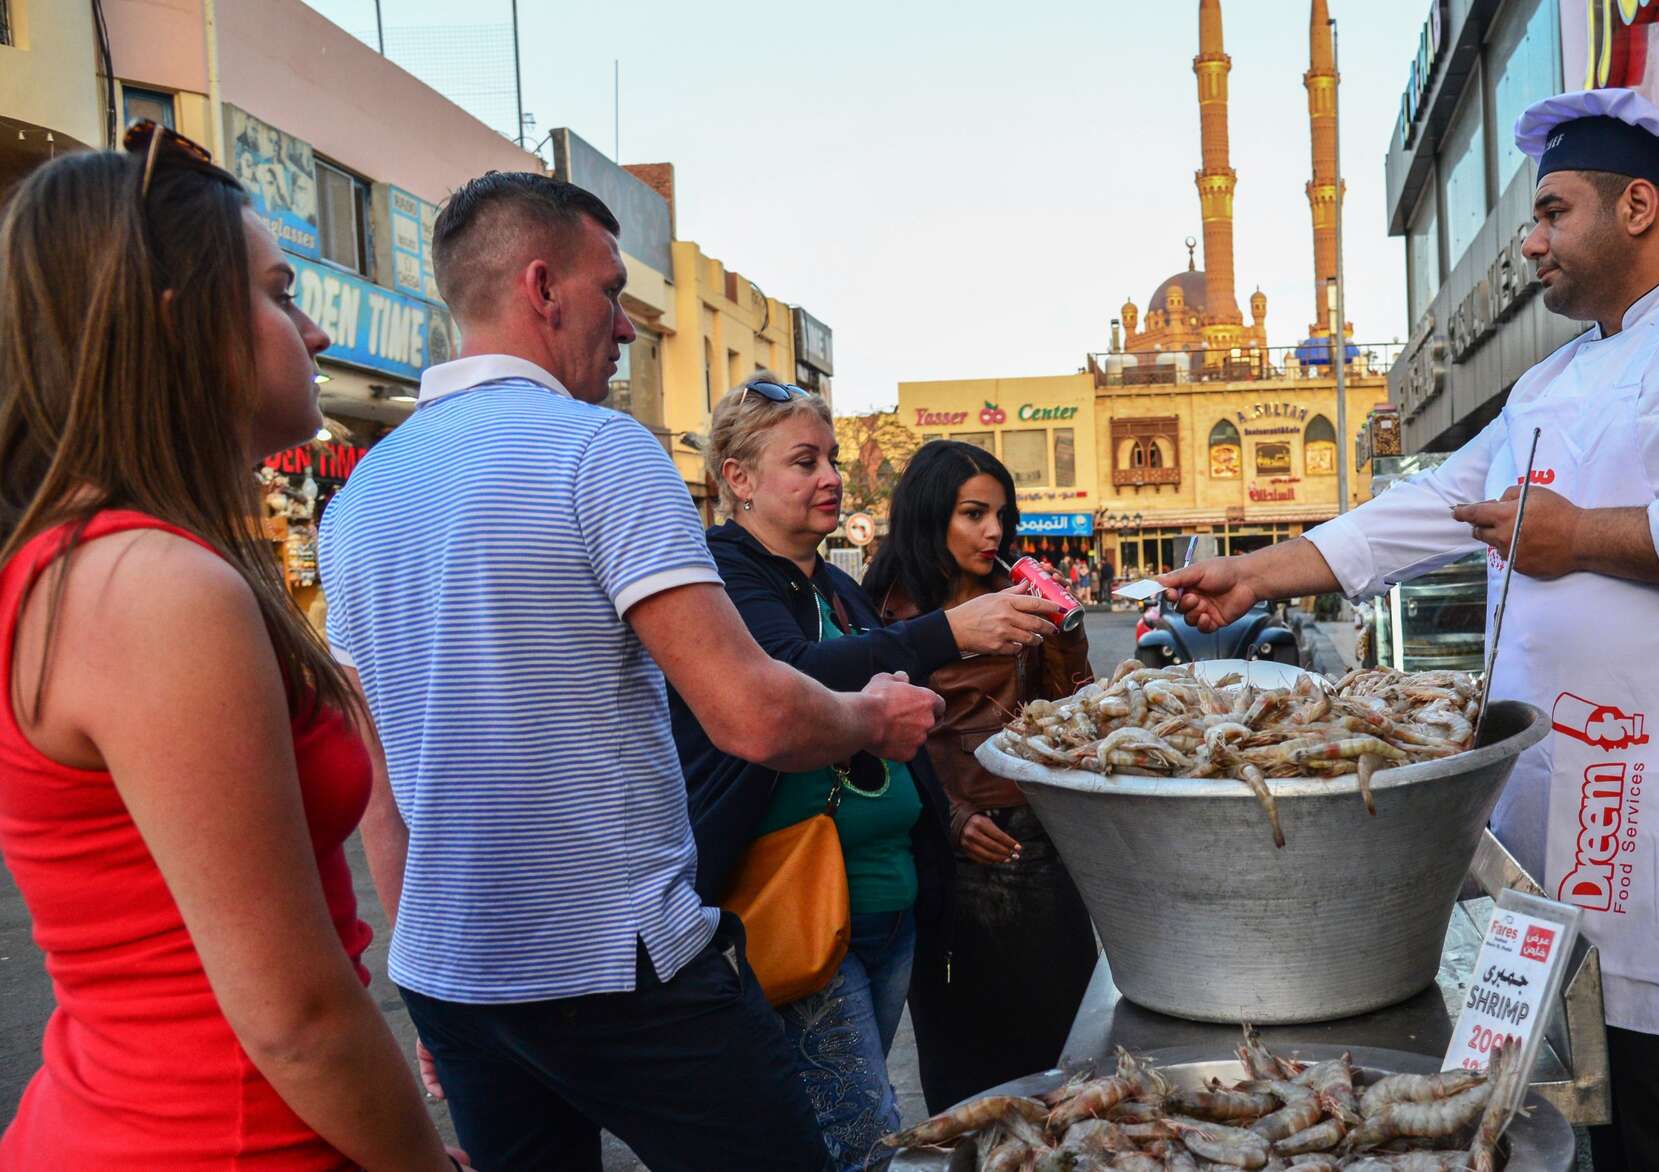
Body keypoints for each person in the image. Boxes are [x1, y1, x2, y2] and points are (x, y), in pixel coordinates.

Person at [1162, 87, 1659, 1172]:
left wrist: (1581, 535)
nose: (1527, 242)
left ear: (1637, 206)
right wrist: (1256, 572)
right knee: (1580, 1085)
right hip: (1565, 806)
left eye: (1549, 211)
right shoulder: (1551, 377)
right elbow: (1423, 504)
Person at [318, 172, 941, 1172]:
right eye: (611, 294)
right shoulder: (598, 449)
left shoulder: (359, 498)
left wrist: (426, 964)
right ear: (541, 286)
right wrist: (869, 716)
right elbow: (748, 711)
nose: (627, 330)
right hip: (619, 965)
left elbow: (379, 787)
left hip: (452, 977)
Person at [0, 128, 460, 1169]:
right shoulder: (152, 586)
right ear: (185, 328)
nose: (311, 330)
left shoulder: (92, 561)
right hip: (219, 1136)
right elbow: (295, 1014)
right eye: (280, 291)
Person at [670, 378, 1060, 1169]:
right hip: (804, 902)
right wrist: (947, 631)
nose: (830, 479)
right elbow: (794, 673)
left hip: (890, 905)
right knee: (864, 1136)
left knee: (849, 1117)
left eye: (833, 460)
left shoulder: (835, 585)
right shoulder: (722, 577)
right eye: (804, 462)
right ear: (738, 479)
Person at [862, 442, 1099, 1111]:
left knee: (1064, 1060)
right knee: (967, 1070)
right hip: (944, 859)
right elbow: (871, 739)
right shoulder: (882, 613)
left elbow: (1071, 723)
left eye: (1000, 514)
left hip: (1034, 850)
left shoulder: (1014, 596)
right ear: (930, 514)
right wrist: (951, 815)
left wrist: (1067, 643)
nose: (993, 531)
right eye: (972, 513)